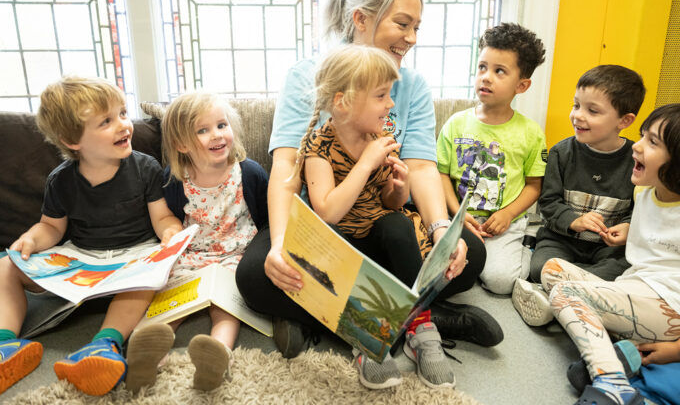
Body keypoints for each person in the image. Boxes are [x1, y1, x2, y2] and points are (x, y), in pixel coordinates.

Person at [235, 0, 502, 364]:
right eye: (402, 24)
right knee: (256, 275)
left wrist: (442, 229)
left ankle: (323, 315)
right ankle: (428, 319)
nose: (411, 38)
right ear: (360, 18)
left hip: (382, 225)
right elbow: (287, 169)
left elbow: (423, 168)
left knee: (470, 254)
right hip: (323, 222)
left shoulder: (411, 84)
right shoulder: (309, 76)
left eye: (416, 27)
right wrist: (277, 246)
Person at [542, 103, 680, 405]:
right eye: (642, 136)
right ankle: (620, 350)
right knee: (552, 268)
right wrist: (628, 230)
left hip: (673, 308)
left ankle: (612, 382)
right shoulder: (646, 191)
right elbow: (660, 236)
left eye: (652, 142)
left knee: (563, 293)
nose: (635, 146)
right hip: (637, 287)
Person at [0, 77, 183, 396]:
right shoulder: (61, 180)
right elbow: (52, 227)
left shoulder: (145, 168)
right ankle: (5, 345)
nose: (124, 125)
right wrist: (30, 239)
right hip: (82, 260)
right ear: (72, 140)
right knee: (6, 266)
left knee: (148, 279)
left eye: (123, 113)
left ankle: (103, 345)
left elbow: (162, 217)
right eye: (107, 121)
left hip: (132, 259)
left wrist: (171, 233)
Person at [297, 44, 455, 389]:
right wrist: (367, 161)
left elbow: (391, 203)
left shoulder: (379, 137)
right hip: (343, 245)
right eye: (382, 95)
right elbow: (327, 212)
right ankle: (370, 337)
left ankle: (420, 327)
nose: (391, 104)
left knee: (399, 224)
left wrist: (400, 186)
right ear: (344, 102)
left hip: (378, 236)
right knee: (326, 255)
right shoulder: (318, 147)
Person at [125, 92, 268, 392]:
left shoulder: (249, 173)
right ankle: (150, 352)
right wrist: (169, 234)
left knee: (227, 309)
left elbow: (270, 220)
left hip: (237, 255)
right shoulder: (176, 179)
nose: (216, 135)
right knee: (168, 300)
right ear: (182, 144)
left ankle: (217, 354)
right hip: (192, 255)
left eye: (221, 125)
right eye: (202, 130)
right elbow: (169, 219)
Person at [512, 65, 645, 326]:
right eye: (576, 106)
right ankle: (584, 294)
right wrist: (573, 221)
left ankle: (560, 294)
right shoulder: (561, 153)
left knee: (625, 270)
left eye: (592, 111)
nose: (578, 116)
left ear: (624, 120)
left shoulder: (636, 161)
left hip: (607, 249)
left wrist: (628, 226)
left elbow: (641, 209)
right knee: (540, 266)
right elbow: (548, 202)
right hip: (562, 239)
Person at [437, 22, 547, 296]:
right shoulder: (455, 123)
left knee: (499, 283)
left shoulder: (531, 133)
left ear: (522, 85)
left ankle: (526, 244)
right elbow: (439, 174)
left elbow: (535, 185)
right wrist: (457, 215)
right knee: (442, 272)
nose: (486, 77)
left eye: (499, 71)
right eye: (482, 67)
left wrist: (508, 214)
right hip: (458, 220)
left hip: (503, 225)